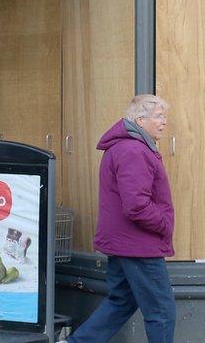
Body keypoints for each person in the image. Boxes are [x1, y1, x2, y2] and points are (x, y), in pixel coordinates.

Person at [65, 94, 176, 343]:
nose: (164, 122)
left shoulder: (128, 147)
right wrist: (164, 224)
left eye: (164, 117)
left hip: (125, 243)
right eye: (159, 117)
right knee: (161, 311)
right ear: (140, 119)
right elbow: (136, 205)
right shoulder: (134, 150)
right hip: (139, 245)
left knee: (121, 301)